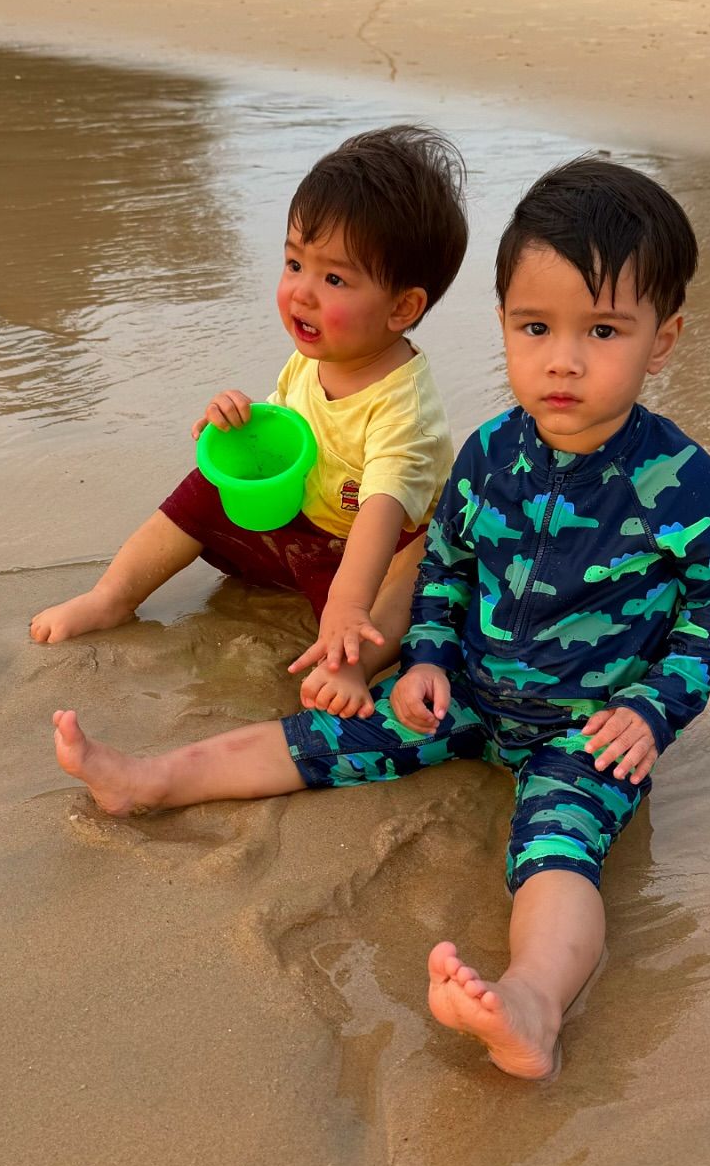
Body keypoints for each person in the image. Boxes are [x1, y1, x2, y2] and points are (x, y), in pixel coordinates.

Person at [51, 158, 710, 1080]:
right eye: (535, 327)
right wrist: (424, 657)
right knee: (321, 734)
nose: (563, 359)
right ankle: (149, 780)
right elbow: (450, 569)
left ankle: (533, 1004)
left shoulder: (678, 481)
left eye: (604, 331)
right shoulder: (491, 455)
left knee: (556, 848)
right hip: (458, 694)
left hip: (588, 732)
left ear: (661, 342)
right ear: (502, 321)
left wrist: (655, 709)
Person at [30, 124, 468, 720]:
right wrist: (237, 420)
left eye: (334, 278)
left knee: (414, 579)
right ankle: (113, 596)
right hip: (310, 527)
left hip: (375, 547)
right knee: (208, 482)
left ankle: (351, 663)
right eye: (294, 263)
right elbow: (285, 433)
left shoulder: (403, 408)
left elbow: (382, 507)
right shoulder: (315, 357)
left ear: (402, 307)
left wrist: (345, 605)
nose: (302, 293)